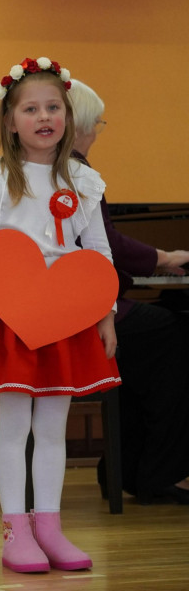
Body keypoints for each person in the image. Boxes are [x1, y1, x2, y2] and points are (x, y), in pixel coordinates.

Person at [0, 58, 122, 574]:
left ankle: (49, 526)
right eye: (31, 108)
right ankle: (14, 530)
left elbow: (99, 253)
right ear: (10, 120)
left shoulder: (85, 184)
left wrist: (106, 313)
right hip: (11, 314)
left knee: (53, 428)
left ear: (67, 116)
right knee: (14, 424)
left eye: (53, 107)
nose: (43, 116)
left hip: (67, 316)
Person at [67, 79, 189, 505]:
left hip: (79, 305)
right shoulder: (77, 172)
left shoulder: (54, 169)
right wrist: (166, 256)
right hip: (85, 311)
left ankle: (123, 470)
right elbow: (110, 243)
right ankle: (163, 473)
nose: (98, 131)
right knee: (171, 338)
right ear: (81, 125)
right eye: (97, 122)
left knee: (145, 356)